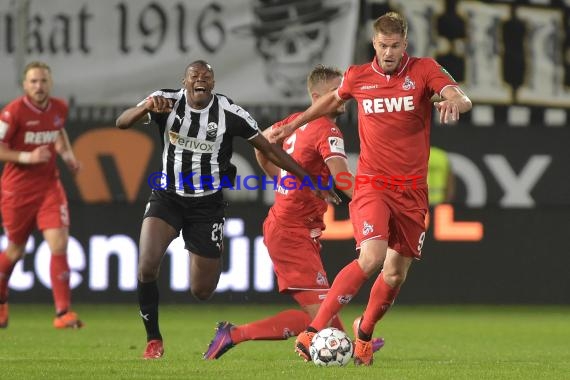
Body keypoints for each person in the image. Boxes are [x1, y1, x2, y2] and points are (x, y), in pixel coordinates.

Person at [270, 12, 472, 366]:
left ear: (404, 44)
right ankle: (314, 331)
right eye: (382, 45)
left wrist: (457, 101)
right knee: (372, 257)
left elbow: (456, 94)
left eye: (395, 46)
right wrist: (293, 125)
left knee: (395, 272)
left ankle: (364, 330)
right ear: (374, 44)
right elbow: (332, 101)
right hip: (373, 183)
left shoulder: (423, 70)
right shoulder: (358, 76)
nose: (389, 52)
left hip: (411, 192)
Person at [115, 60, 339, 360]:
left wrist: (308, 179)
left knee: (202, 290)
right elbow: (122, 122)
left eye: (206, 77)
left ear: (213, 84)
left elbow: (269, 148)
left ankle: (203, 256)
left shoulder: (229, 113)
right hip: (167, 197)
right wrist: (145, 109)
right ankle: (153, 339)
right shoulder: (165, 101)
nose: (200, 80)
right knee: (146, 265)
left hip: (207, 205)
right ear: (185, 82)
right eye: (194, 76)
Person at [202, 65, 383, 360]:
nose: (343, 97)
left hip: (290, 227)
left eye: (343, 91)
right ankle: (234, 334)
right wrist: (373, 197)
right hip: (291, 231)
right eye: (336, 93)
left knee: (325, 314)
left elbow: (261, 145)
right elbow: (341, 178)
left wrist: (283, 180)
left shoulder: (293, 122)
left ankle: (347, 341)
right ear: (316, 96)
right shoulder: (328, 129)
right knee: (319, 317)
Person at [0, 61, 83, 329]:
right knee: (15, 250)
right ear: (24, 85)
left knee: (59, 243)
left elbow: (58, 130)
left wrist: (67, 155)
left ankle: (63, 313)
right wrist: (28, 156)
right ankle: (1, 300)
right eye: (33, 81)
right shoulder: (12, 113)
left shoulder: (59, 107)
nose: (39, 86)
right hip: (17, 190)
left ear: (51, 83)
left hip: (49, 185)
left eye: (43, 81)